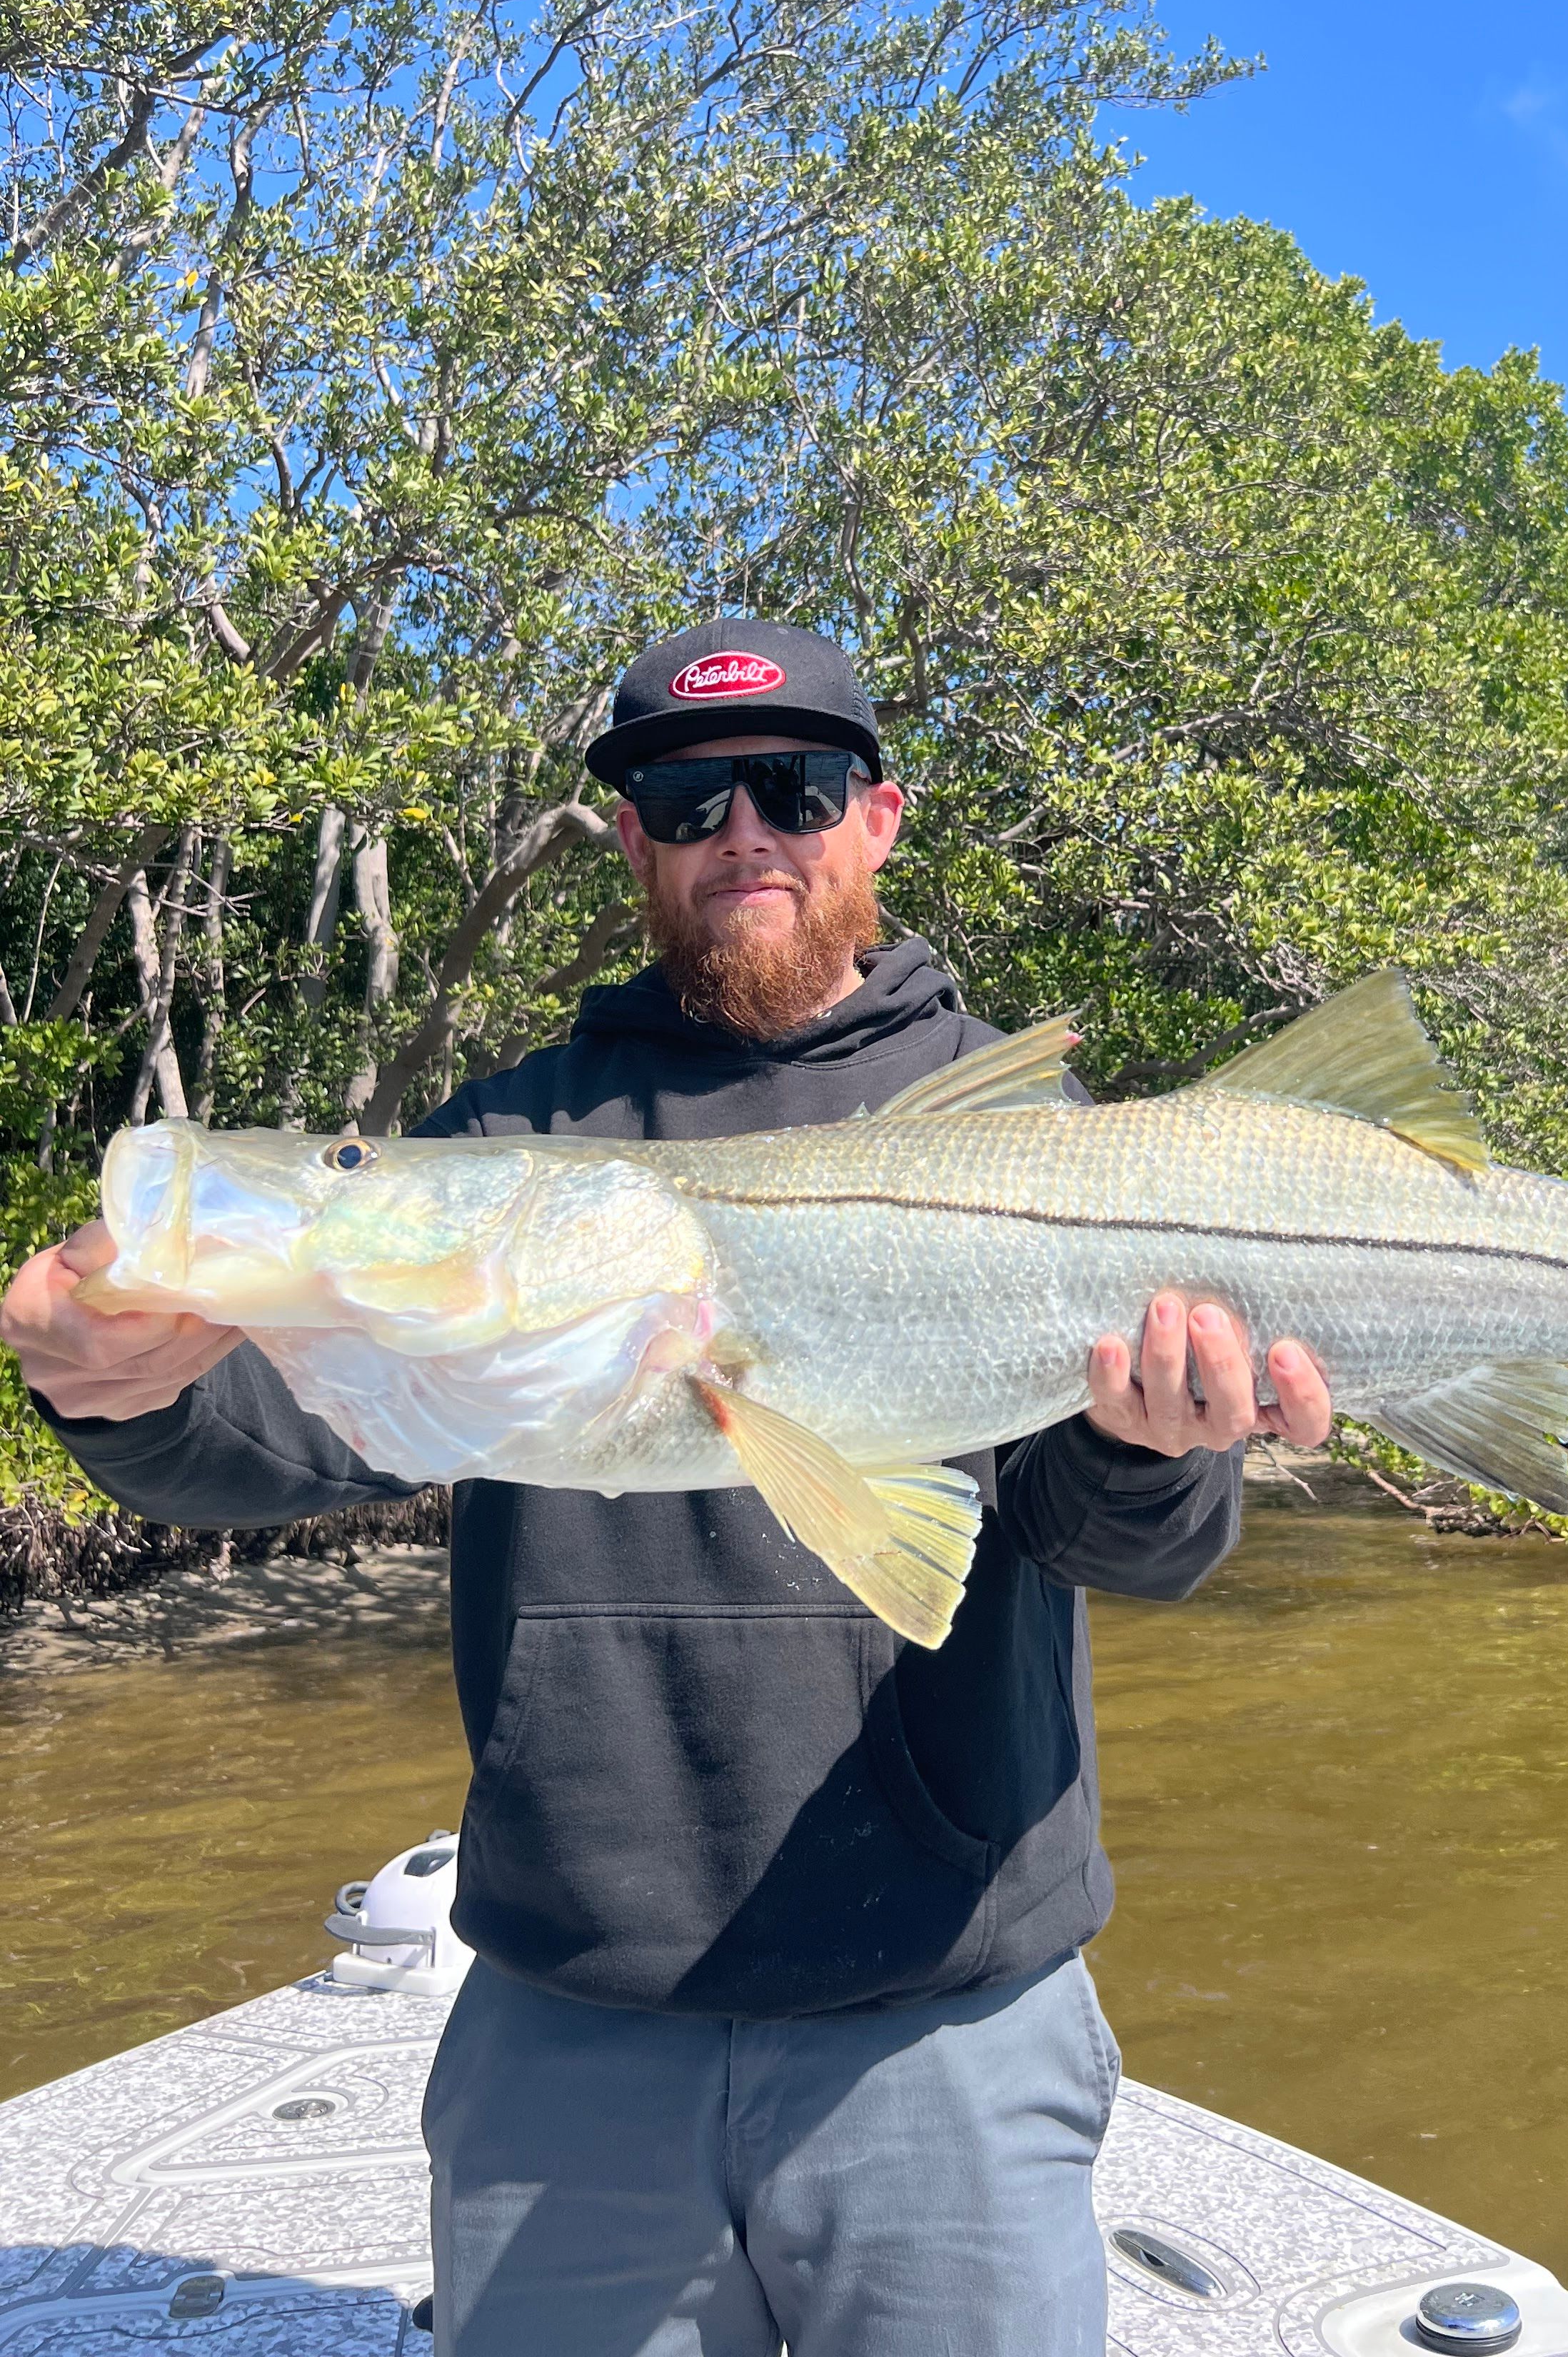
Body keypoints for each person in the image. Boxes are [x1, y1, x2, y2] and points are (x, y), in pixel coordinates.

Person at [2, 616, 1334, 2357]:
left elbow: (1128, 1548)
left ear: (878, 819)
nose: (746, 833)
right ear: (631, 839)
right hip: (568, 2024)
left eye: (796, 785)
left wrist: (1152, 1451)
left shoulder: (1037, 1129)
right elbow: (277, 1434)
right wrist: (107, 1394)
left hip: (950, 2009)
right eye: (689, 796)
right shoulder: (511, 1144)